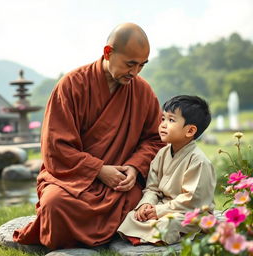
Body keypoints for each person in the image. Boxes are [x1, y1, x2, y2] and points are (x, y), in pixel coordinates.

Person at [13, 23, 164, 249]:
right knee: (55, 205)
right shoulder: (71, 85)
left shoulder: (142, 91)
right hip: (72, 181)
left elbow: (155, 139)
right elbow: (56, 147)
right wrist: (99, 170)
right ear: (107, 53)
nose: (135, 72)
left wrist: (133, 167)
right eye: (130, 64)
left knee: (136, 200)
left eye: (142, 65)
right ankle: (112, 233)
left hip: (118, 184)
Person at [118, 95, 216, 245]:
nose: (163, 124)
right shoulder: (162, 153)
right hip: (164, 206)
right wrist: (147, 204)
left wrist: (159, 211)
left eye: (171, 120)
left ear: (190, 131)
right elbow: (152, 187)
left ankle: (152, 235)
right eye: (163, 119)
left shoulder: (198, 161)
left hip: (190, 212)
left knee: (170, 224)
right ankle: (150, 234)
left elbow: (192, 200)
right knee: (133, 215)